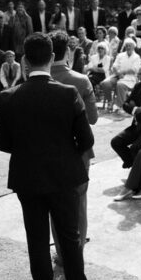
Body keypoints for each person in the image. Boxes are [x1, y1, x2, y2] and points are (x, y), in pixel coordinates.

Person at [0, 33, 96, 280]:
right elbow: (86, 139)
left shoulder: (8, 97)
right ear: (52, 58)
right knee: (70, 236)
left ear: (25, 61)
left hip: (28, 178)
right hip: (64, 177)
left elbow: (4, 144)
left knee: (37, 239)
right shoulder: (68, 94)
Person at [49, 31, 99, 262]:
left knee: (54, 204)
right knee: (79, 201)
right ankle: (77, 251)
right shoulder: (81, 80)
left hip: (49, 151)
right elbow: (92, 118)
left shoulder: (37, 79)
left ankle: (60, 253)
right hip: (78, 150)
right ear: (67, 51)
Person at [100, 38, 141, 110]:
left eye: (130, 45)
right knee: (105, 83)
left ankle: (121, 107)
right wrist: (118, 73)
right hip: (117, 75)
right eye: (127, 46)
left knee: (120, 85)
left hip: (130, 78)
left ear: (133, 46)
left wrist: (122, 72)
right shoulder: (120, 55)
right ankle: (110, 101)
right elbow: (114, 66)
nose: (128, 47)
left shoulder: (136, 57)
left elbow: (134, 69)